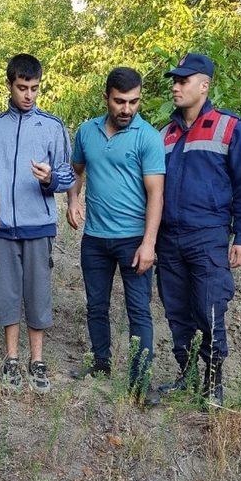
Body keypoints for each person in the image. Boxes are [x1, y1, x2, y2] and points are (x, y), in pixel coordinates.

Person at [156, 53, 241, 406]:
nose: (176, 86)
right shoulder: (164, 134)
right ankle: (187, 377)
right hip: (169, 240)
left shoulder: (229, 127)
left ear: (204, 85)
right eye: (175, 80)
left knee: (210, 309)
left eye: (184, 80)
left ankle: (214, 385)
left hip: (208, 237)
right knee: (177, 312)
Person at [67, 67, 165, 399]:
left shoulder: (148, 138)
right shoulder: (86, 131)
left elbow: (156, 194)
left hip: (134, 240)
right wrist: (72, 200)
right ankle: (100, 364)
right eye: (120, 101)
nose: (127, 109)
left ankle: (140, 381)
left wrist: (149, 243)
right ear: (106, 97)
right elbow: (76, 171)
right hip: (95, 238)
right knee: (96, 305)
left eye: (134, 101)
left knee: (138, 310)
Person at [0, 54, 75, 393]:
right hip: (4, 227)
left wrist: (51, 178)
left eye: (34, 89)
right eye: (22, 88)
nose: (28, 95)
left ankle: (36, 360)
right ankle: (10, 359)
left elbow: (67, 176)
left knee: (38, 295)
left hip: (39, 226)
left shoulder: (52, 127)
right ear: (9, 85)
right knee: (6, 293)